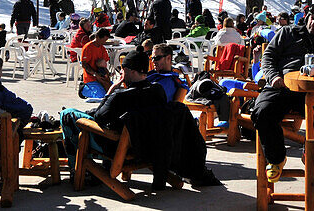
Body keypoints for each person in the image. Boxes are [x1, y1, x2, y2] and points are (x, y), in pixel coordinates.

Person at [92, 49, 219, 189]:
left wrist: (112, 88)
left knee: (71, 117)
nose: (121, 73)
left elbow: (98, 117)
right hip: (152, 148)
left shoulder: (119, 97)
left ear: (130, 70)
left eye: (123, 70)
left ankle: (80, 173)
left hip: (123, 149)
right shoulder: (157, 90)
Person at [251, 1, 314, 182]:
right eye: (313, 18)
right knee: (261, 112)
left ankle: (313, 153)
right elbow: (269, 56)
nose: (313, 23)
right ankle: (276, 158)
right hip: (282, 85)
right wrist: (273, 76)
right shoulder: (288, 32)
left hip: (313, 89)